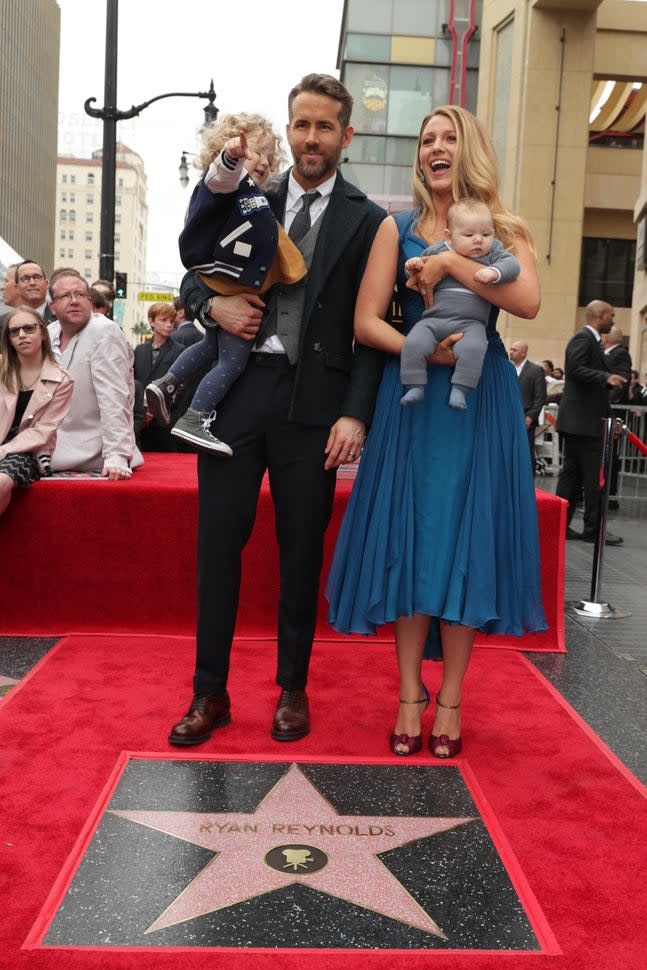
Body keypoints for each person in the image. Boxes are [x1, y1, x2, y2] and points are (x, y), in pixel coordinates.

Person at [167, 73, 386, 747]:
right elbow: (192, 270)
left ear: (345, 136)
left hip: (312, 409)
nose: (311, 138)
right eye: (301, 125)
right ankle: (210, 693)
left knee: (299, 554)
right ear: (288, 129)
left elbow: (370, 328)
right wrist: (214, 306)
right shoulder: (248, 193)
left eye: (324, 127)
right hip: (233, 397)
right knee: (216, 550)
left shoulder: (368, 219)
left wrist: (354, 414)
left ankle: (292, 688)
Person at [326, 105, 547, 759]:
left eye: (449, 138)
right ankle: (407, 696)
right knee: (412, 542)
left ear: (471, 149)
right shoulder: (396, 228)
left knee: (463, 545)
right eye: (426, 140)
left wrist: (450, 264)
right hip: (414, 403)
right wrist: (423, 352)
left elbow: (527, 302)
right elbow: (366, 322)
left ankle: (450, 698)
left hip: (480, 410)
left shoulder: (506, 228)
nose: (435, 148)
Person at [146, 113, 306, 456]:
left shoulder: (254, 194)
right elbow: (220, 177)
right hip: (232, 284)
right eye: (255, 152)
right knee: (232, 361)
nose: (262, 160)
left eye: (268, 154)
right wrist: (232, 156)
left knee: (210, 348)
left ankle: (167, 384)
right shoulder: (226, 183)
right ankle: (194, 417)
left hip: (233, 283)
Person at [400, 198, 519, 410]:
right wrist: (413, 265)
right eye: (469, 235)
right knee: (413, 343)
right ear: (449, 236)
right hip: (434, 319)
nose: (478, 241)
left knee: (474, 349)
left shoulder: (493, 253)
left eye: (486, 234)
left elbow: (512, 265)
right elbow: (417, 272)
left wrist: (494, 272)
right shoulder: (439, 250)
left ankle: (460, 389)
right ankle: (414, 384)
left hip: (471, 323)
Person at [47, 273, 142, 479]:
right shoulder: (49, 333)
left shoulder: (104, 331)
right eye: (65, 296)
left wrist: (116, 455)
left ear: (90, 301)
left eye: (80, 294)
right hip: (49, 449)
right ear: (52, 307)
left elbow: (114, 397)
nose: (74, 301)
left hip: (96, 453)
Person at [555, 300, 626, 545]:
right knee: (594, 479)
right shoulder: (583, 339)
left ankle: (560, 525)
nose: (614, 321)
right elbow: (575, 370)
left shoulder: (589, 340)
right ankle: (593, 530)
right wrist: (608, 377)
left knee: (572, 477)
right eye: (612, 316)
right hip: (584, 424)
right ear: (601, 315)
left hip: (581, 422)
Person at [0, 308, 73, 516]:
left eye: (28, 328)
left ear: (42, 332)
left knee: (2, 481)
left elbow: (43, 430)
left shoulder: (62, 379)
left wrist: (5, 450)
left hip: (29, 451)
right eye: (14, 332)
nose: (21, 335)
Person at [134, 302, 183, 452]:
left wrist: (155, 409)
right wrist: (141, 411)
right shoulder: (140, 350)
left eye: (171, 321)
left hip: (165, 422)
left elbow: (180, 387)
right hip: (140, 423)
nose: (169, 325)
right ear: (151, 321)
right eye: (163, 320)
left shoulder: (180, 350)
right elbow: (134, 382)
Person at [602, 325, 632, 510]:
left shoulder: (620, 354)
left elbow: (621, 381)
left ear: (608, 337)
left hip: (611, 413)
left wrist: (607, 404)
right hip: (601, 412)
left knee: (611, 456)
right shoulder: (604, 353)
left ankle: (610, 494)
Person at [509, 339, 547, 469]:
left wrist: (531, 416)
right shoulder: (507, 368)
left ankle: (528, 483)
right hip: (508, 415)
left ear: (524, 353)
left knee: (526, 452)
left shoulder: (535, 370)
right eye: (511, 349)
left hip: (526, 416)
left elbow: (540, 397)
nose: (511, 352)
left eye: (514, 350)